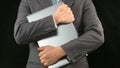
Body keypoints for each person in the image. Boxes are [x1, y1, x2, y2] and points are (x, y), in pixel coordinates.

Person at [14, 0, 104, 68]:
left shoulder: (84, 1)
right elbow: (20, 34)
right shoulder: (28, 1)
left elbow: (97, 35)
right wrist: (54, 19)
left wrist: (61, 51)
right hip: (38, 65)